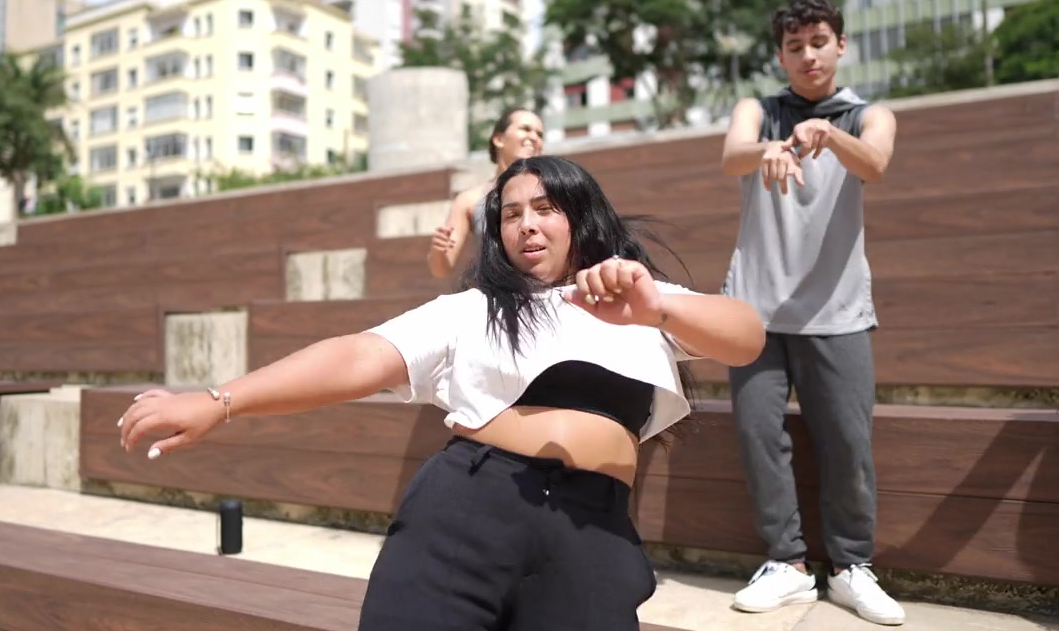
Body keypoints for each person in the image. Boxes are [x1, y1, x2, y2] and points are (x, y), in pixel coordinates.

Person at [119, 156, 766, 631]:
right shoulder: (473, 308)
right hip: (470, 504)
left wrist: (655, 310)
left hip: (591, 528)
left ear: (582, 216)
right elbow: (358, 355)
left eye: (546, 208)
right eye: (510, 214)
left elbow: (746, 336)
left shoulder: (640, 297)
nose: (527, 225)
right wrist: (220, 401)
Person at [719, 0, 902, 626]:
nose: (808, 55)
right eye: (794, 47)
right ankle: (787, 566)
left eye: (818, 42)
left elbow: (876, 163)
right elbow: (732, 155)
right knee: (758, 436)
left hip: (837, 309)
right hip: (755, 310)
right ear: (781, 55)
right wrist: (767, 149)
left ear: (840, 45)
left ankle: (852, 567)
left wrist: (827, 134)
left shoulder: (868, 114)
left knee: (848, 443)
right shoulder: (758, 110)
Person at [428, 108, 545, 280]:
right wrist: (438, 250)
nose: (534, 137)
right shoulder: (469, 200)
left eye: (539, 134)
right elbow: (441, 270)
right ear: (499, 139)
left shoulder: (554, 190)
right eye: (525, 129)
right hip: (497, 293)